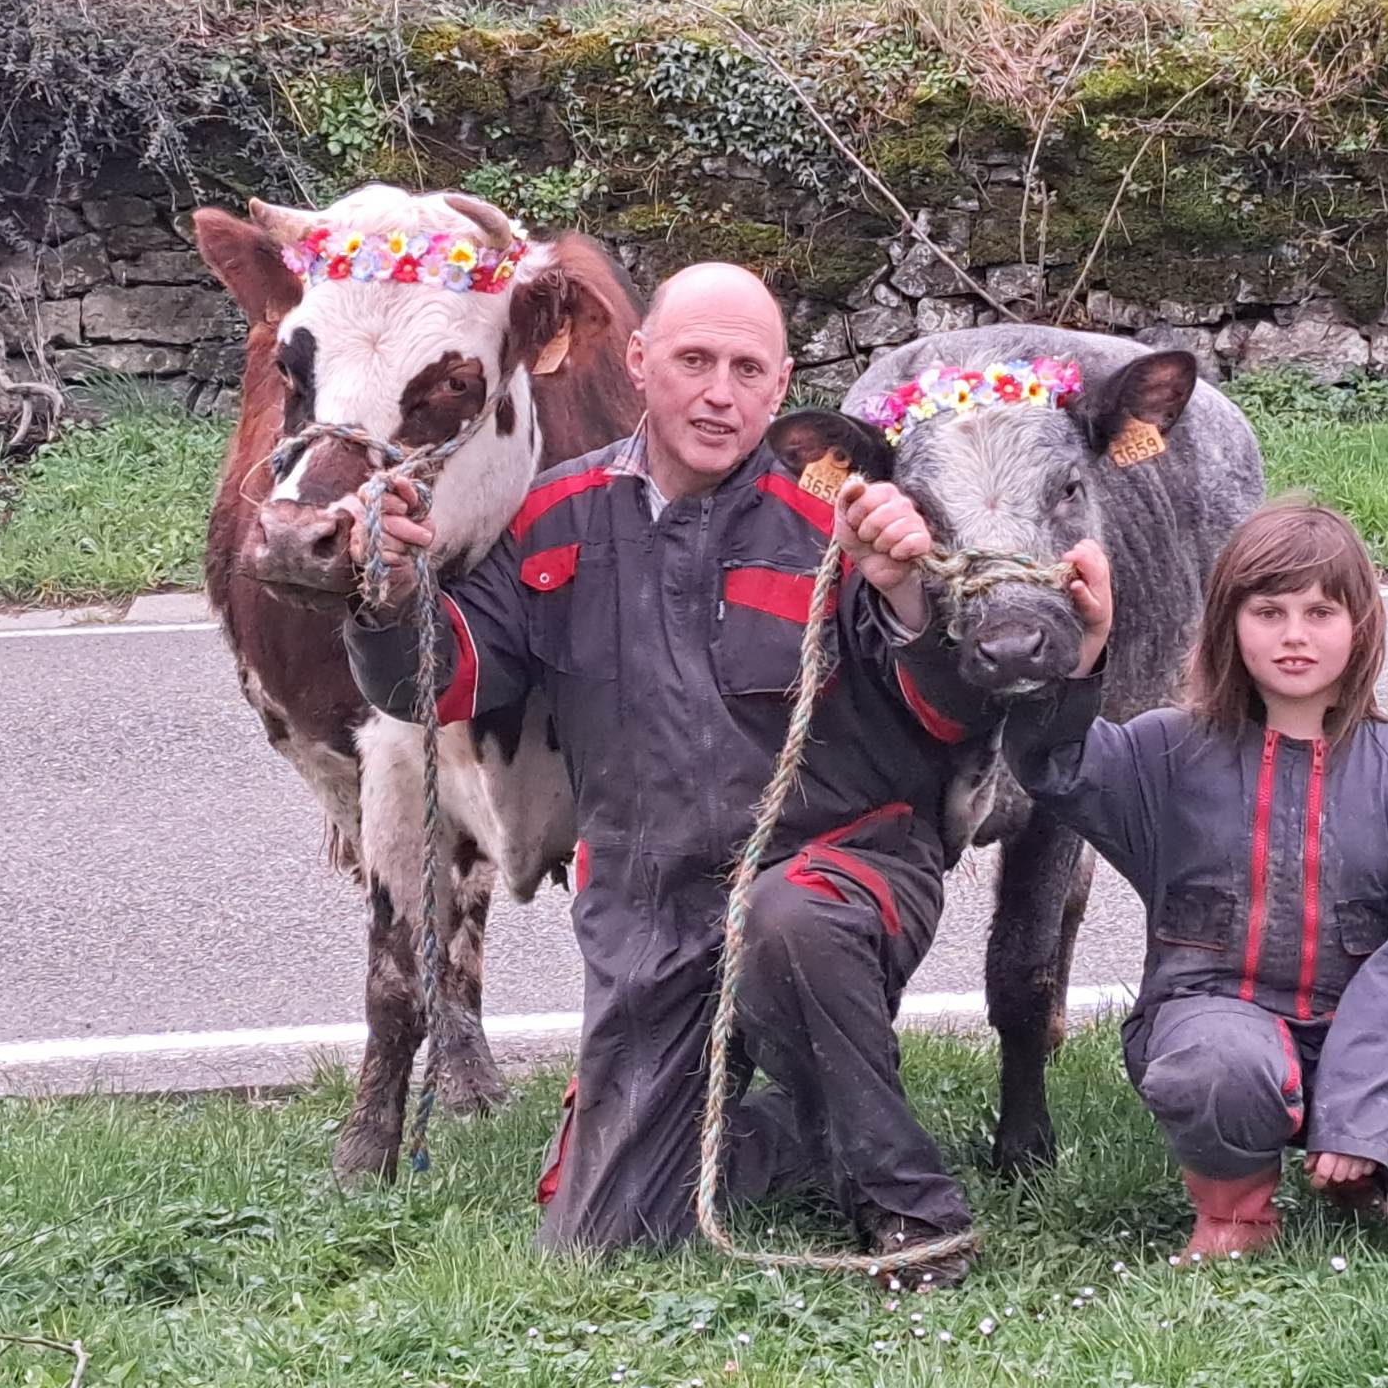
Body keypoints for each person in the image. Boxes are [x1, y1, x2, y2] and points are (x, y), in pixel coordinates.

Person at [339, 263, 996, 1284]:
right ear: (639, 363)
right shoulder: (555, 515)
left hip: (838, 872)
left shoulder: (842, 515)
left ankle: (912, 1215)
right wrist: (383, 598)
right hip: (648, 914)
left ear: (780, 388)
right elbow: (446, 680)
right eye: (692, 361)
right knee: (600, 1236)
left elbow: (949, 716)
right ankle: (814, 1127)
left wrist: (906, 593)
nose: (718, 394)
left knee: (781, 920)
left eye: (746, 369)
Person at [1004, 501, 1388, 1258]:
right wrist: (1085, 648)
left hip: (1361, 1039)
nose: (1294, 635)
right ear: (1229, 623)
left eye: (1320, 612)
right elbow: (1050, 763)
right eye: (1268, 611)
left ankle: (1363, 1175)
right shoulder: (1167, 752)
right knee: (1216, 1067)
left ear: (1360, 626)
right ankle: (1236, 1212)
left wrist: (1365, 1115)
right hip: (1217, 1024)